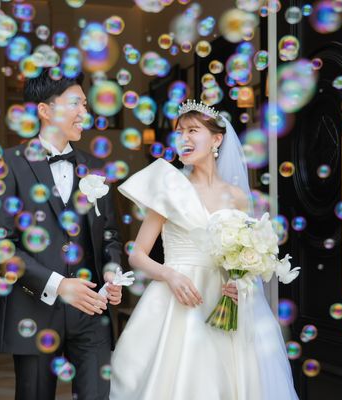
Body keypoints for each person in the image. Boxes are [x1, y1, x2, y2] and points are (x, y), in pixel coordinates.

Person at [110, 100, 298, 399]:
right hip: (179, 299)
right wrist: (170, 275)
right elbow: (137, 255)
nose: (183, 138)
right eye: (179, 132)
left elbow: (245, 255)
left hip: (223, 302)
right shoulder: (169, 186)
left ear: (216, 139)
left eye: (192, 130)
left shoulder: (237, 197)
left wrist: (239, 282)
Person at [0, 70, 124, 400]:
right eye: (76, 103)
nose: (84, 113)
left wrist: (113, 271)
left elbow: (109, 235)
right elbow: (0, 245)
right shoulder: (10, 164)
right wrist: (59, 285)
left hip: (92, 309)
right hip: (34, 309)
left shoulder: (95, 167)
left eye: (86, 105)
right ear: (45, 110)